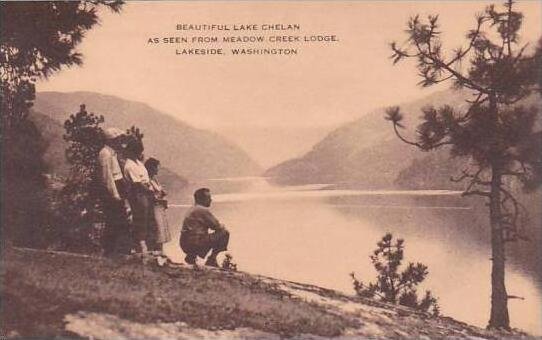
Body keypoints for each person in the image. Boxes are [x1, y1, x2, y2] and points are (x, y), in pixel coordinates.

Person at [98, 127, 130, 256]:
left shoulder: (113, 153)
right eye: (117, 139)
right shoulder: (105, 153)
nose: (119, 142)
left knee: (120, 220)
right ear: (111, 140)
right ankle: (109, 250)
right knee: (113, 220)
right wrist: (115, 194)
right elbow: (107, 176)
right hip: (112, 190)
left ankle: (118, 250)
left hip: (118, 187)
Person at [180, 188, 229, 267]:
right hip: (195, 243)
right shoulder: (202, 210)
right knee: (224, 232)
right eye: (208, 198)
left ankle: (191, 256)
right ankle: (212, 259)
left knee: (201, 235)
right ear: (201, 199)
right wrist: (222, 226)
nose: (211, 200)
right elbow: (217, 226)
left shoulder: (192, 208)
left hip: (184, 243)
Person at [123, 139, 153, 254]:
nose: (139, 153)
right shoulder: (129, 165)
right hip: (138, 194)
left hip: (145, 192)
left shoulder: (139, 163)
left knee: (145, 219)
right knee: (139, 219)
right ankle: (138, 245)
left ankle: (143, 244)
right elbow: (137, 183)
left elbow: (145, 178)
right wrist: (149, 191)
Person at [144, 157, 171, 255]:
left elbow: (159, 191)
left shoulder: (155, 179)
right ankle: (155, 253)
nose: (157, 169)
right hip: (154, 208)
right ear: (151, 168)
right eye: (156, 167)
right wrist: (160, 199)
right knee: (157, 230)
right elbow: (150, 196)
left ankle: (161, 254)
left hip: (160, 208)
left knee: (161, 232)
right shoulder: (147, 180)